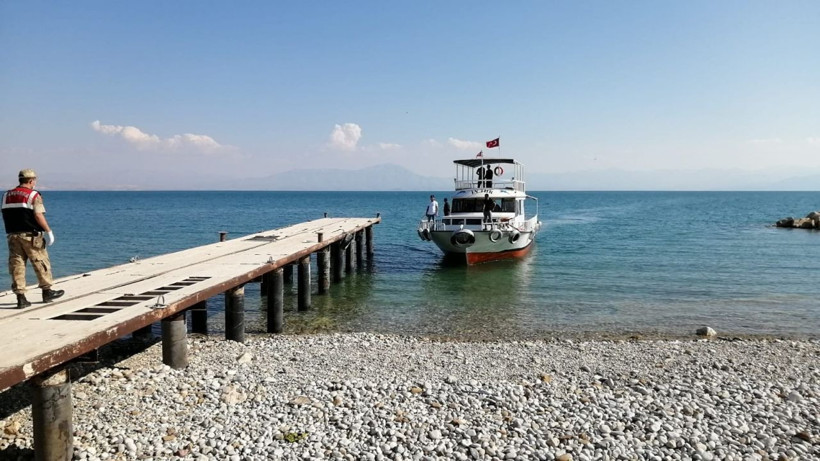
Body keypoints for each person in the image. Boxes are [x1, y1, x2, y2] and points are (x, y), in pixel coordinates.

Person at [2, 169, 65, 308]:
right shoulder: (33, 195)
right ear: (31, 181)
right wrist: (49, 231)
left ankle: (21, 298)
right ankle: (47, 291)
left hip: (13, 235)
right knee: (40, 262)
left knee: (16, 265)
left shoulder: (6, 195)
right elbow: (38, 215)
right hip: (31, 235)